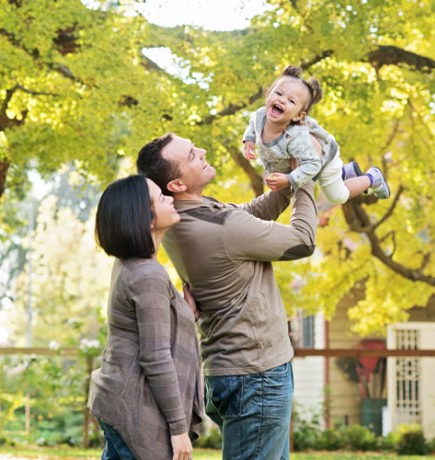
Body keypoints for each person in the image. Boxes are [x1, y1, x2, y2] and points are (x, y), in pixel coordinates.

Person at [137, 134, 317, 460]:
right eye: (192, 155)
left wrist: (290, 178)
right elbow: (303, 240)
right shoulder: (218, 228)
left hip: (235, 370)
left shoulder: (184, 215)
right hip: (256, 375)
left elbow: (250, 214)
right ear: (176, 184)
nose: (202, 150)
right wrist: (305, 176)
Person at [88, 175, 204, 460]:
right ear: (146, 219)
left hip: (119, 402)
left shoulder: (132, 266)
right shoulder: (147, 275)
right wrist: (178, 430)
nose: (169, 197)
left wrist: (184, 313)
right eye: (159, 197)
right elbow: (155, 356)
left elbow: (146, 328)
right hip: (136, 411)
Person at [243, 65, 390, 202]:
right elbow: (253, 125)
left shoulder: (294, 137)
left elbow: (313, 164)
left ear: (298, 116)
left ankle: (372, 178)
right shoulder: (260, 115)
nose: (282, 100)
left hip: (323, 160)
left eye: (291, 101)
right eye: (279, 93)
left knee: (337, 197)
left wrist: (290, 179)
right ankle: (347, 172)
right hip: (306, 157)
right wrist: (249, 139)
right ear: (268, 94)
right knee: (331, 182)